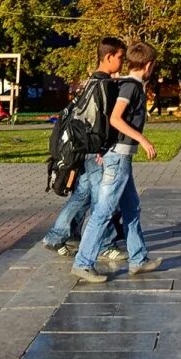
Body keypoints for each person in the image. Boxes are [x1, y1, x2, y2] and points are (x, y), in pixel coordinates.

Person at [72, 40, 159, 285]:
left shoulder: (125, 84)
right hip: (118, 157)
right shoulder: (131, 87)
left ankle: (138, 259)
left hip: (120, 156)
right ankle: (82, 263)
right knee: (104, 211)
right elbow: (115, 119)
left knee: (132, 208)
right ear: (149, 65)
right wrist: (143, 140)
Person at [43, 38, 126, 257]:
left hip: (83, 148)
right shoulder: (104, 85)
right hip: (96, 150)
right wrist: (104, 148)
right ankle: (106, 244)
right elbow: (104, 122)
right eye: (120, 57)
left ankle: (56, 236)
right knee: (103, 198)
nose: (122, 62)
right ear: (108, 57)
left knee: (82, 195)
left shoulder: (90, 82)